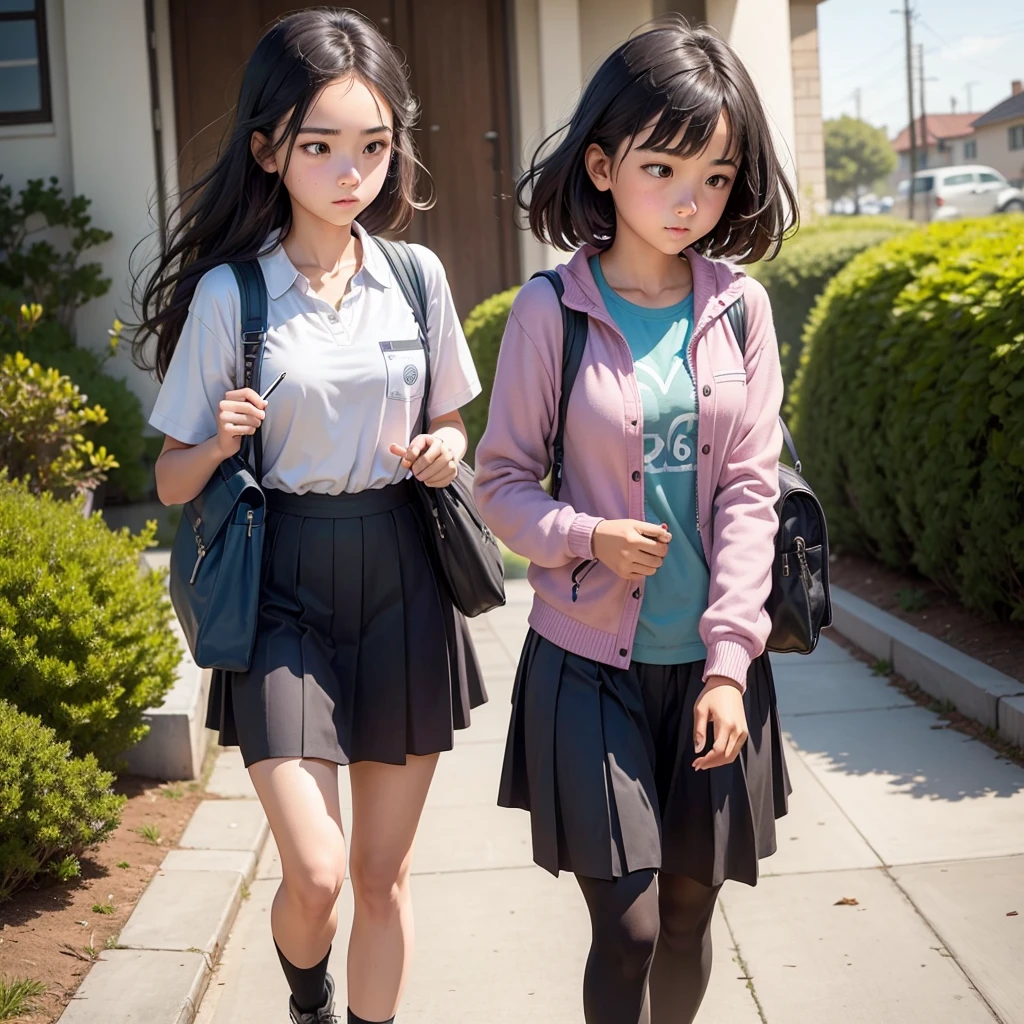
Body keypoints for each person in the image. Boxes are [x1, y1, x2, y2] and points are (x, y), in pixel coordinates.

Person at [132, 10, 485, 1024]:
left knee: (382, 877)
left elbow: (453, 419)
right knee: (320, 874)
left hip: (402, 578)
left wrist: (441, 449)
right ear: (268, 149)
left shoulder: (415, 278)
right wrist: (217, 437)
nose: (350, 170)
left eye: (371, 146)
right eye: (320, 145)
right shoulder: (231, 296)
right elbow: (167, 479)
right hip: (282, 584)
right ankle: (306, 994)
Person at [473, 18, 794, 1024]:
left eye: (713, 174)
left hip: (711, 671)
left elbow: (752, 487)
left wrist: (732, 664)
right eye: (661, 168)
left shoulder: (740, 308)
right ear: (604, 166)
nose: (688, 200)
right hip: (585, 666)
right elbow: (500, 484)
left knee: (691, 919)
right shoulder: (548, 313)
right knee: (632, 927)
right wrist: (586, 536)